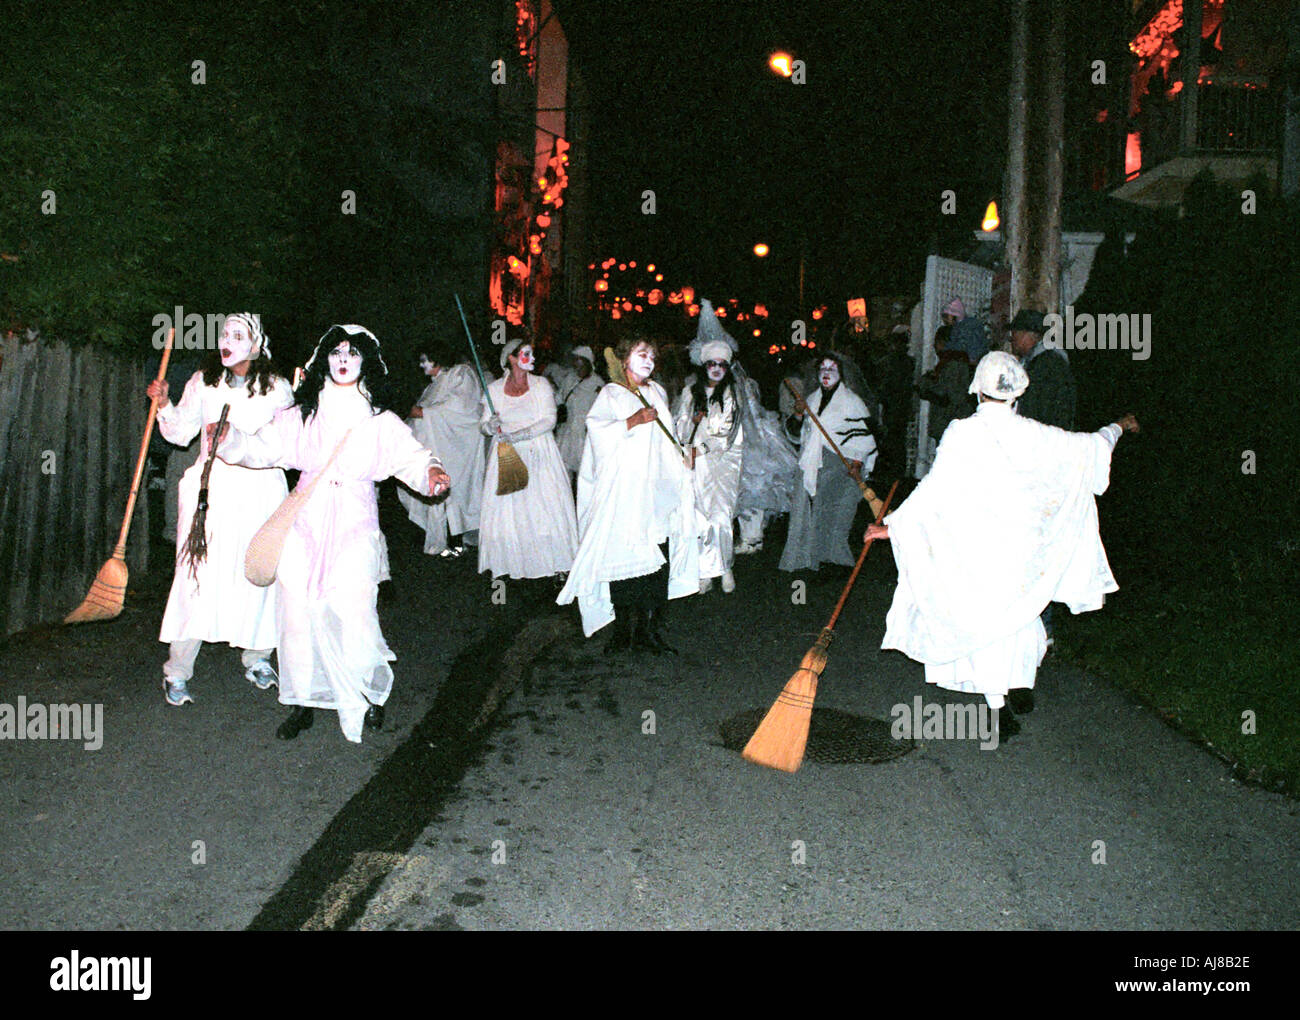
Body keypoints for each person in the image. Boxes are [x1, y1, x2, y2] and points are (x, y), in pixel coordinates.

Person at [866, 351, 1139, 738]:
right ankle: (1010, 692)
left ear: (978, 390)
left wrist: (893, 524)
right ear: (1016, 394)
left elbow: (934, 488)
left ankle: (1003, 700)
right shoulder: (1034, 434)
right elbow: (1088, 447)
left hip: (977, 549)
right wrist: (1119, 426)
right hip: (1020, 551)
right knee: (1021, 618)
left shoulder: (963, 432)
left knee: (991, 622)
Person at [215, 324, 449, 742]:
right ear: (324, 358)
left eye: (353, 353)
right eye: (336, 351)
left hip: (355, 519)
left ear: (366, 362)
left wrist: (430, 473)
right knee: (297, 612)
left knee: (355, 608)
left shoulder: (380, 421)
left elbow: (412, 458)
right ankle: (303, 699)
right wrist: (229, 439)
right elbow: (260, 448)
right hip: (304, 518)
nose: (343, 359)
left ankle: (364, 694)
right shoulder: (302, 414)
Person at [149, 313, 294, 707]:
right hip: (210, 495)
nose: (226, 340)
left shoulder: (277, 390)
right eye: (224, 333)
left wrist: (239, 440)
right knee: (196, 577)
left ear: (256, 343)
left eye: (237, 334)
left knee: (256, 574)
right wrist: (164, 404)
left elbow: (282, 446)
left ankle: (258, 656)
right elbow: (180, 433)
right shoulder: (204, 382)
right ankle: (177, 670)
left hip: (259, 492)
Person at [557, 335, 699, 650]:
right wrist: (633, 420)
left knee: (656, 558)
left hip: (654, 490)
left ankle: (650, 631)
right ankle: (623, 631)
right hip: (624, 491)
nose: (648, 360)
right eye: (641, 354)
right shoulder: (611, 393)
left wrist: (683, 456)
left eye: (652, 355)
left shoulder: (656, 391)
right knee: (625, 556)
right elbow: (596, 432)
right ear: (624, 360)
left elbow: (668, 437)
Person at [478, 339, 578, 580]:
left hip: (538, 452)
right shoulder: (493, 390)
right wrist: (490, 426)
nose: (532, 358)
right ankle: (511, 562)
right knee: (509, 512)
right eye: (526, 354)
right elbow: (483, 425)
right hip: (506, 455)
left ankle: (556, 563)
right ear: (511, 359)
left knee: (544, 507)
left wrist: (518, 435)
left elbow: (549, 420)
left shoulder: (541, 384)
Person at [1009, 308, 1077, 648]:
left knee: (1036, 548)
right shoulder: (1041, 365)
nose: (1012, 341)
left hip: (1042, 471)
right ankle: (1035, 624)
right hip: (1042, 468)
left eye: (1015, 334)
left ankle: (1043, 626)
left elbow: (1038, 420)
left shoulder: (1046, 368)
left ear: (1029, 335)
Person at [779, 352, 878, 572]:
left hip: (841, 464)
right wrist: (797, 415)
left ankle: (835, 562)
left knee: (835, 514)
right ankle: (808, 559)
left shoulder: (852, 401)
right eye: (822, 369)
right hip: (814, 461)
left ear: (841, 374)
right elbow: (798, 435)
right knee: (813, 512)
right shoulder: (811, 399)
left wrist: (857, 463)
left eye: (832, 369)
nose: (826, 373)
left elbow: (862, 437)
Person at [674, 301, 745, 594]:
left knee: (721, 516)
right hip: (695, 463)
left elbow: (725, 435)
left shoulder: (732, 394)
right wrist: (690, 425)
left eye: (722, 365)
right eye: (711, 364)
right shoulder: (689, 393)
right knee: (700, 517)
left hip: (725, 462)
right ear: (704, 366)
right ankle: (704, 570)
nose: (716, 369)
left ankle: (725, 567)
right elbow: (679, 429)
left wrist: (698, 445)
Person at [399, 348, 485, 557]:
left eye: (424, 360)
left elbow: (462, 406)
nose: (421, 366)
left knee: (455, 493)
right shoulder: (432, 386)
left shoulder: (460, 374)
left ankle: (457, 541)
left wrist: (424, 413)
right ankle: (439, 538)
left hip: (454, 446)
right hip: (435, 446)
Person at [916, 320, 975, 443]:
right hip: (951, 424)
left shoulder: (953, 364)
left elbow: (945, 394)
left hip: (949, 424)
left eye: (938, 343)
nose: (935, 347)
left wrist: (926, 383)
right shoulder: (954, 362)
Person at [554, 345, 603, 481]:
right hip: (567, 434)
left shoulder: (598, 384)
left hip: (585, 436)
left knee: (586, 476)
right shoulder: (570, 379)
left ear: (589, 363)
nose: (578, 370)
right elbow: (558, 399)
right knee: (563, 474)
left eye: (581, 366)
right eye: (576, 366)